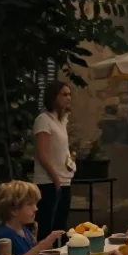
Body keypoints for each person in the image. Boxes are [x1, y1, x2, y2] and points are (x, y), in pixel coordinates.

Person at [32, 80, 75, 244]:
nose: (68, 98)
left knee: (61, 225)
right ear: (53, 97)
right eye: (64, 94)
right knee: (46, 227)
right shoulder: (43, 120)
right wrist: (55, 177)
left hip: (65, 179)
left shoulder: (62, 121)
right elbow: (41, 153)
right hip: (48, 181)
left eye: (69, 94)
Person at [0, 180, 65, 255]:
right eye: (30, 204)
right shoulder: (5, 235)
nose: (36, 208)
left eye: (35, 204)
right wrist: (42, 246)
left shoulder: (23, 229)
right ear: (13, 209)